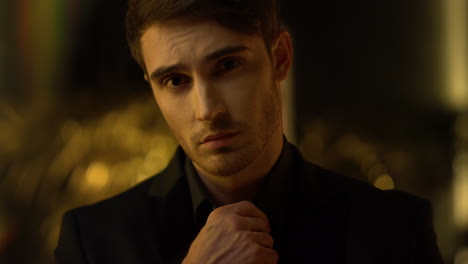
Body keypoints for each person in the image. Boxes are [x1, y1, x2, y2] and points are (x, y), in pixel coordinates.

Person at [54, 0, 444, 263]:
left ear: (279, 59)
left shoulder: (395, 230)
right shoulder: (94, 241)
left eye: (227, 66)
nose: (207, 110)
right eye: (175, 81)